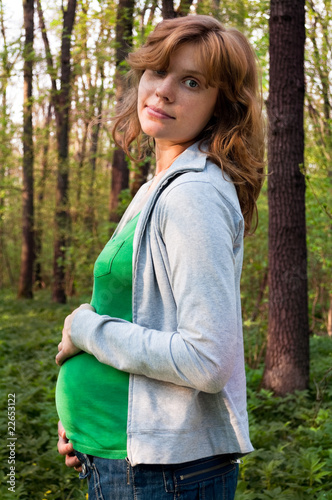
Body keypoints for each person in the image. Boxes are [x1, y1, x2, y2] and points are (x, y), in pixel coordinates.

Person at [55, 14, 265, 500]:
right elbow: (137, 317)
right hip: (122, 458)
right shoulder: (158, 186)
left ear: (221, 107)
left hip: (162, 477)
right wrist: (83, 423)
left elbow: (206, 360)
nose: (163, 91)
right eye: (157, 71)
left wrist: (84, 329)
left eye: (191, 82)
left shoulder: (193, 194)